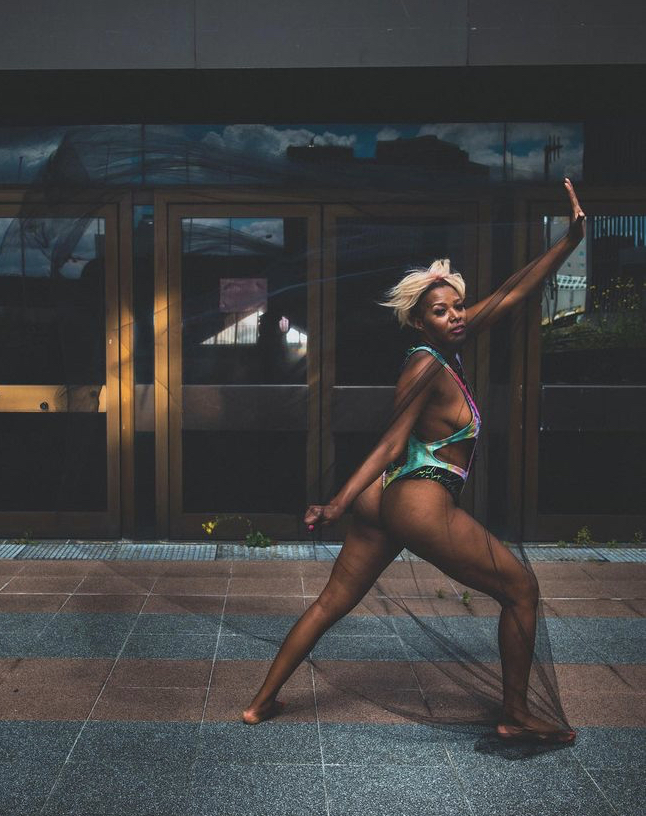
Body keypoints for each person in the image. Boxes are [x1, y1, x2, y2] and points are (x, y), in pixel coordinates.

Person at [242, 178, 586, 744]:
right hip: (418, 497)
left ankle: (260, 702)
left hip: (390, 494)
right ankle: (517, 714)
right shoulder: (426, 366)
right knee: (521, 590)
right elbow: (387, 441)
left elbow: (513, 293)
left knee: (331, 602)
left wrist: (568, 240)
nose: (455, 315)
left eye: (457, 307)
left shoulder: (441, 352)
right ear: (419, 321)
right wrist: (334, 503)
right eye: (440, 310)